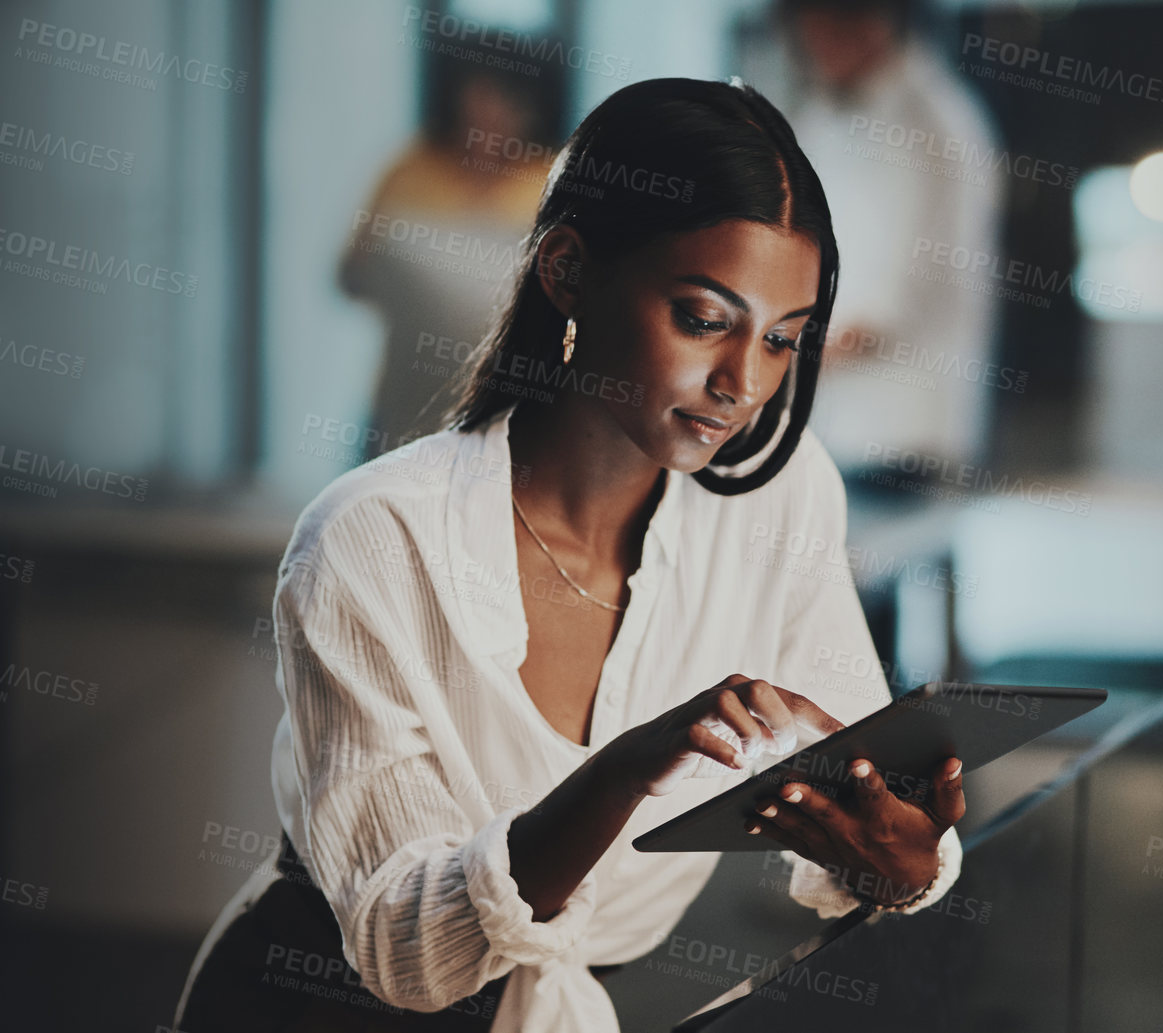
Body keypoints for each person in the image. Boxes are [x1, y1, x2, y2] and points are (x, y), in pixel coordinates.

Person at [175, 77, 967, 1033]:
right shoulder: (374, 537)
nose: (742, 384)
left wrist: (899, 851)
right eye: (704, 319)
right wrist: (627, 768)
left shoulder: (781, 494)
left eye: (783, 340)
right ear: (566, 270)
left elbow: (858, 775)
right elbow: (406, 951)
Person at [759, 0, 1007, 476]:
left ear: (873, 23)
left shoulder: (932, 122)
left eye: (820, 32)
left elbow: (905, 293)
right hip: (830, 425)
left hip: (898, 435)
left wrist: (782, 355)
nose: (811, 49)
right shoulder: (826, 112)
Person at [337, 53, 561, 461]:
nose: (487, 114)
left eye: (504, 100)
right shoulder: (411, 169)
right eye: (477, 98)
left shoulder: (551, 178)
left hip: (514, 405)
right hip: (407, 394)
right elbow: (350, 275)